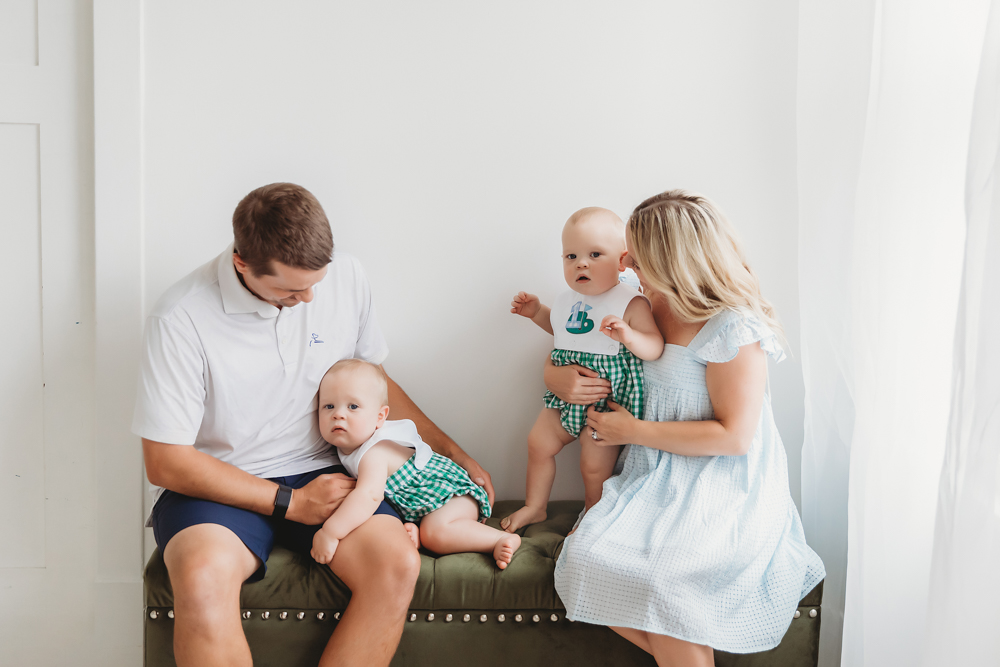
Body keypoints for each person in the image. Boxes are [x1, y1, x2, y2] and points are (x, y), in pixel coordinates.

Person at [134, 183, 494, 667]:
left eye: (315, 284)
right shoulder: (179, 317)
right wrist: (292, 503)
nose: (307, 298)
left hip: (324, 470)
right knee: (201, 579)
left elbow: (375, 383)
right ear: (242, 263)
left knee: (395, 564)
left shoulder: (345, 276)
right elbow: (166, 461)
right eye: (289, 289)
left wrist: (452, 451)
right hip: (216, 484)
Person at [550, 190, 825, 666]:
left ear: (670, 257)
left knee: (666, 579)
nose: (626, 259)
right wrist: (560, 380)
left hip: (723, 483)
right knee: (585, 560)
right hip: (654, 474)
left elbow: (734, 437)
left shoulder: (733, 328)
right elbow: (572, 353)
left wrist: (631, 432)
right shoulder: (643, 305)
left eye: (637, 251)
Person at [502, 207, 663, 533]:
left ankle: (592, 513)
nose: (581, 263)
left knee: (593, 466)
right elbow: (562, 329)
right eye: (571, 256)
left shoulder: (630, 302)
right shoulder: (566, 300)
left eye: (594, 254)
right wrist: (537, 313)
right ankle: (535, 506)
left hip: (604, 403)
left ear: (621, 261)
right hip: (562, 399)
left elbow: (655, 346)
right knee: (538, 443)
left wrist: (629, 336)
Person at [310, 359, 521, 569]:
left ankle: (498, 539)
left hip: (449, 495)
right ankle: (417, 529)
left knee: (435, 533)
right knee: (420, 530)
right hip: (424, 504)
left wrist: (330, 532)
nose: (338, 414)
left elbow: (368, 496)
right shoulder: (346, 448)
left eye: (353, 406)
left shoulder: (374, 451)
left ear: (380, 417)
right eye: (328, 406)